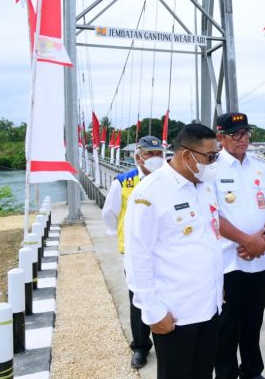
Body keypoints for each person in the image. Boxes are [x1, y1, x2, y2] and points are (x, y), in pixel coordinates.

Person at [124, 124, 223, 379]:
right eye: (210, 157)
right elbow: (138, 259)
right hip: (176, 315)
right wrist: (152, 312)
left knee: (203, 374)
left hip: (209, 308)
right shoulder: (150, 193)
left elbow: (210, 240)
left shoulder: (204, 185)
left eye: (217, 156)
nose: (214, 163)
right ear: (187, 155)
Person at [214, 112, 265, 379]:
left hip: (261, 258)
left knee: (253, 322)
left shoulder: (259, 165)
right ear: (221, 137)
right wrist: (247, 241)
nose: (243, 139)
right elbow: (211, 214)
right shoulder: (212, 169)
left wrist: (263, 238)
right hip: (230, 261)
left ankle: (252, 371)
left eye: (246, 133)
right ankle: (227, 374)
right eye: (235, 134)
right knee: (227, 326)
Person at [101, 135, 164, 369]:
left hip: (163, 249)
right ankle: (140, 345)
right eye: (150, 154)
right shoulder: (124, 181)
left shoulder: (170, 179)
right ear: (138, 156)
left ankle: (164, 338)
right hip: (134, 252)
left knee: (164, 294)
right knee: (138, 298)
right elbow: (110, 212)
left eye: (159, 154)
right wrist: (119, 237)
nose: (155, 159)